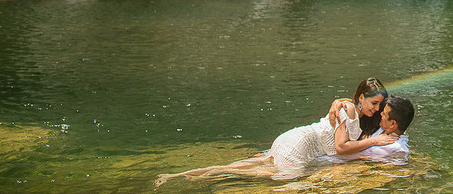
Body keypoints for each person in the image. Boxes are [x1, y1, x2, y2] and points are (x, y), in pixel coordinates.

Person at [154, 78, 398, 186]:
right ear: (360, 98)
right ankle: (193, 177)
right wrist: (377, 140)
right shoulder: (347, 108)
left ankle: (185, 175)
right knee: (264, 176)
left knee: (246, 165)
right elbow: (340, 148)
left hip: (294, 138)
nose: (376, 109)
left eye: (378, 105)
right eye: (373, 103)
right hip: (299, 145)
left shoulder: (352, 108)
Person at [349, 96, 414, 161]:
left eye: (384, 114)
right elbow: (362, 104)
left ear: (392, 124)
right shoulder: (381, 127)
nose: (380, 114)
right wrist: (340, 103)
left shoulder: (397, 150)